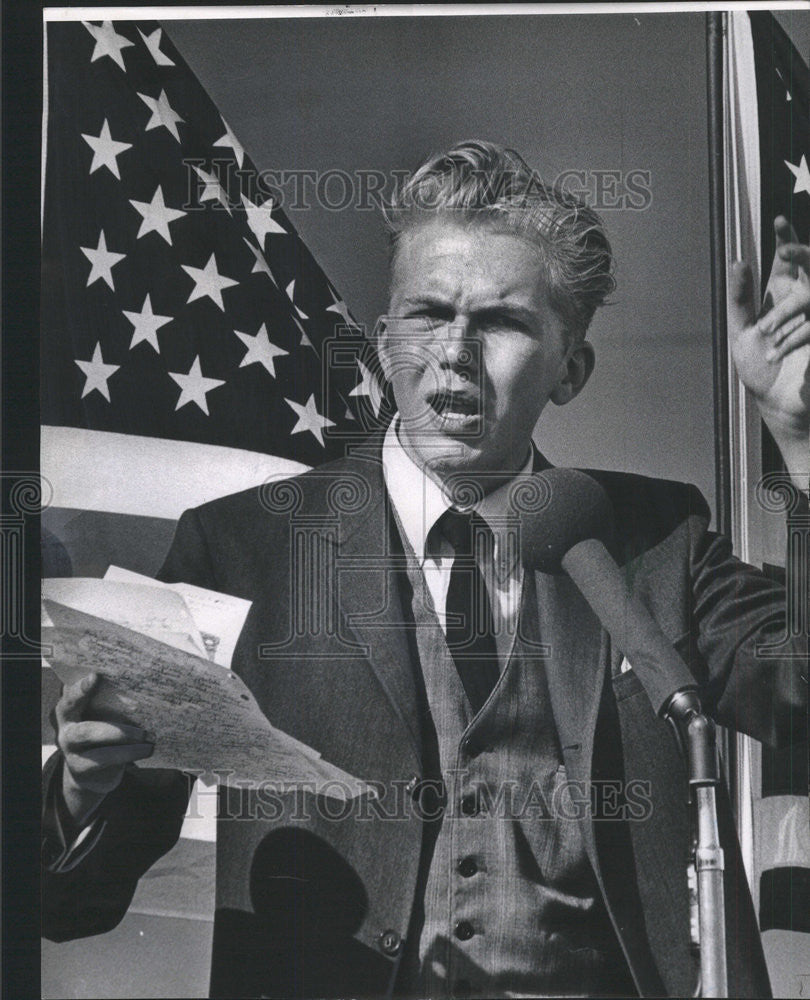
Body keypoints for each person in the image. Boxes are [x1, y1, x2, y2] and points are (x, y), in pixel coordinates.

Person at [42, 141, 809, 999]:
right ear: (382, 342)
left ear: (572, 370)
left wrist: (804, 447)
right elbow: (68, 899)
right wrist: (82, 784)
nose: (454, 350)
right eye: (428, 313)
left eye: (504, 322)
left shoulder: (656, 538)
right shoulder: (243, 547)